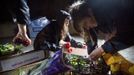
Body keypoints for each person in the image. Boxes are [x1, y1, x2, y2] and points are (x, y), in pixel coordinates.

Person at [70, 0, 134, 61]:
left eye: (85, 23)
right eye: (84, 27)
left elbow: (128, 35)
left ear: (89, 12)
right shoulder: (93, 14)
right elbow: (91, 32)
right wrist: (91, 48)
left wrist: (102, 49)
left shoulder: (108, 8)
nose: (88, 28)